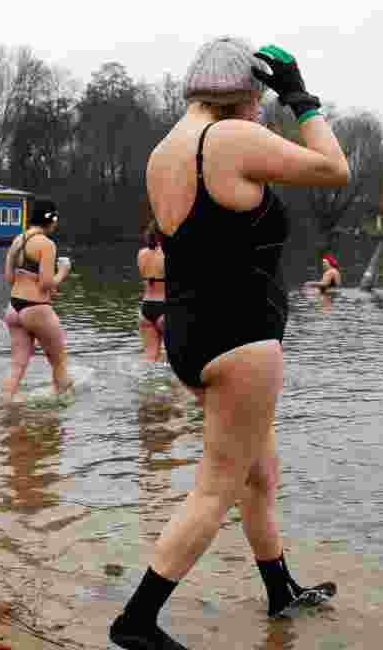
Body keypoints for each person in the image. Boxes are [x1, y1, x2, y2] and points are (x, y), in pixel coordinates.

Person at [108, 39, 349, 650]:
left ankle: (280, 591)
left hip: (190, 336)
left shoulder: (164, 150)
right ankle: (137, 622)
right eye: (260, 101)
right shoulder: (227, 138)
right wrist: (301, 98)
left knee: (257, 474)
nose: (261, 114)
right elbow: (333, 168)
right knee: (216, 488)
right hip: (242, 339)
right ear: (245, 94)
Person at [0, 198, 73, 402]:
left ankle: (3, 408)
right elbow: (45, 284)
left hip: (14, 308)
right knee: (59, 363)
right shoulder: (46, 244)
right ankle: (63, 416)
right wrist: (63, 272)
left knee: (17, 365)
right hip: (37, 308)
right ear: (52, 220)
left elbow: (9, 279)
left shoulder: (17, 240)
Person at [138, 220, 167, 362]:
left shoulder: (142, 254)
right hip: (166, 308)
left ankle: (146, 383)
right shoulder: (170, 254)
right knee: (176, 359)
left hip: (146, 309)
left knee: (150, 358)